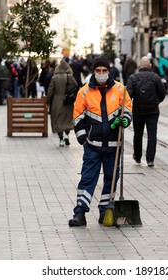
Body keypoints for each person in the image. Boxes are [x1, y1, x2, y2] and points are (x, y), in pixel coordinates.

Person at [69, 56, 132, 227]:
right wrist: (83, 139)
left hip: (113, 146)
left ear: (109, 71)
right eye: (98, 71)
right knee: (87, 179)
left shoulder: (120, 90)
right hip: (93, 146)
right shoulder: (84, 92)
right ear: (93, 72)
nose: (102, 73)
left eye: (104, 71)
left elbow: (127, 109)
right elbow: (77, 117)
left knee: (111, 179)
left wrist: (125, 120)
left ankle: (106, 211)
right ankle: (80, 213)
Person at [127, 56, 166, 167]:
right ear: (150, 65)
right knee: (152, 135)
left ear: (140, 65)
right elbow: (162, 93)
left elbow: (128, 95)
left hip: (138, 111)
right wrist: (156, 102)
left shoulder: (133, 78)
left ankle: (138, 156)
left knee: (138, 134)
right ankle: (150, 159)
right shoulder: (155, 77)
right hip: (153, 112)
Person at [46, 60, 78, 147]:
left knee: (58, 120)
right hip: (68, 101)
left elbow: (50, 91)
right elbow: (76, 85)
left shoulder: (54, 78)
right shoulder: (70, 76)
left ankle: (61, 139)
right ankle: (67, 135)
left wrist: (48, 101)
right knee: (67, 120)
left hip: (57, 102)